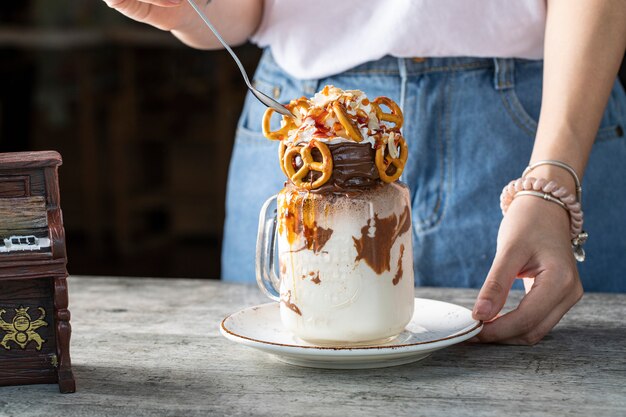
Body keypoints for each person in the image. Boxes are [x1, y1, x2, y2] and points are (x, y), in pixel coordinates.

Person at [103, 0, 626, 345]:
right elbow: (247, 12)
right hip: (301, 114)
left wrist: (552, 178)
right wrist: (187, 8)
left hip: (538, 116)